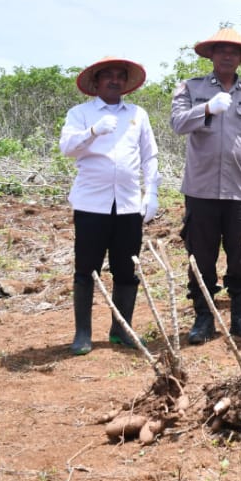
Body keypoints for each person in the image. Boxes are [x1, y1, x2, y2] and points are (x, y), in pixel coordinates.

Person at [170, 28, 241, 345]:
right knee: (201, 257)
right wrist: (206, 109)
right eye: (221, 50)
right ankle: (203, 317)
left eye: (234, 51)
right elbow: (177, 124)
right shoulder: (190, 88)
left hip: (240, 191)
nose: (228, 55)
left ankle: (240, 315)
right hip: (200, 190)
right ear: (212, 55)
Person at [59, 56, 160, 355]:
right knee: (86, 269)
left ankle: (122, 330)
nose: (115, 80)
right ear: (96, 82)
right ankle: (82, 334)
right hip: (91, 203)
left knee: (126, 270)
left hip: (128, 204)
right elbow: (66, 148)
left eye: (120, 76)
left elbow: (149, 155)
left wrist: (151, 192)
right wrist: (92, 132)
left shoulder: (137, 114)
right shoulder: (81, 114)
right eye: (108, 76)